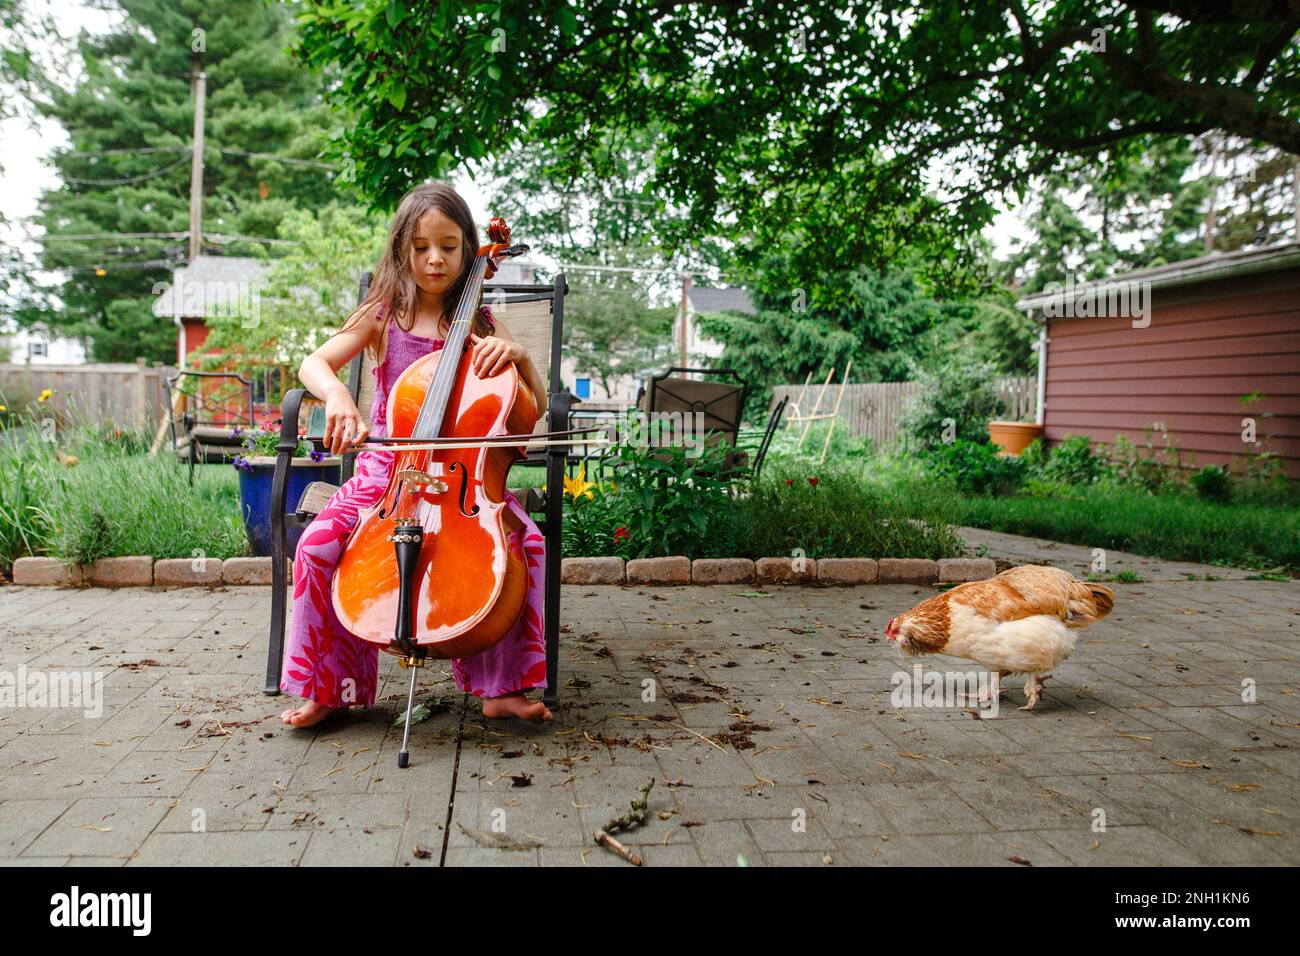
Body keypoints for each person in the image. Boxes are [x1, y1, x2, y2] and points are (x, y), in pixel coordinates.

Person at [278, 182, 552, 728]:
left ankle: (504, 687)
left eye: (450, 247)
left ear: (469, 249)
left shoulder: (480, 327)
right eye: (423, 246)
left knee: (528, 544)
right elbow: (314, 363)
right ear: (403, 247)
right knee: (315, 549)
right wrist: (335, 395)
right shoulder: (384, 314)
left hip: (463, 485)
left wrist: (521, 360)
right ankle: (332, 688)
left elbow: (533, 408)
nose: (435, 259)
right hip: (387, 475)